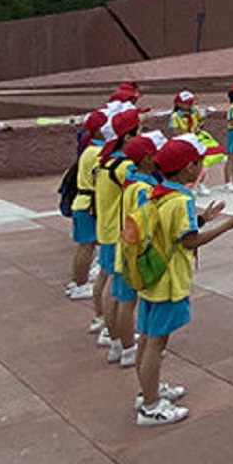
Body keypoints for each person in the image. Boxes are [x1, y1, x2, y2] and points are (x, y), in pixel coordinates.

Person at [135, 134, 233, 426]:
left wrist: (203, 219)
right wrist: (229, 224)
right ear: (188, 167)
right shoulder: (182, 199)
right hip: (168, 280)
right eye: (199, 162)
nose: (201, 167)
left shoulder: (159, 192)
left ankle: (148, 390)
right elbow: (190, 241)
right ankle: (150, 407)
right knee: (156, 343)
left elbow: (172, 229)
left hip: (151, 275)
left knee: (147, 338)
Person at [111, 130, 168, 369]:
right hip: (134, 254)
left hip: (125, 248)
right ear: (146, 159)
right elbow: (146, 222)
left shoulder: (132, 180)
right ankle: (127, 349)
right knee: (127, 302)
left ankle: (118, 343)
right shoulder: (143, 188)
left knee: (121, 299)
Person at [94, 108, 145, 353]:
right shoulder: (124, 166)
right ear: (127, 137)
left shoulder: (106, 160)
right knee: (123, 295)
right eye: (139, 131)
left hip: (107, 229)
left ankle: (111, 332)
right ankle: (124, 344)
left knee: (109, 283)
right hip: (119, 233)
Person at [66, 111, 106, 305]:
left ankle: (77, 281)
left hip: (84, 202)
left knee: (86, 245)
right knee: (86, 246)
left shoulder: (90, 149)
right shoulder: (97, 153)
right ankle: (80, 284)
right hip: (89, 204)